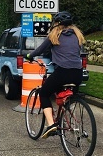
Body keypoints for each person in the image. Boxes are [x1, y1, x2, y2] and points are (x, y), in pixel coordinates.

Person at [26, 11, 85, 139]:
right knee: (66, 96)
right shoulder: (77, 35)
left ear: (56, 23)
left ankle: (51, 125)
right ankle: (67, 114)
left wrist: (29, 56)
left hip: (62, 72)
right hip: (78, 73)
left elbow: (40, 49)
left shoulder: (54, 35)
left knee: (44, 93)